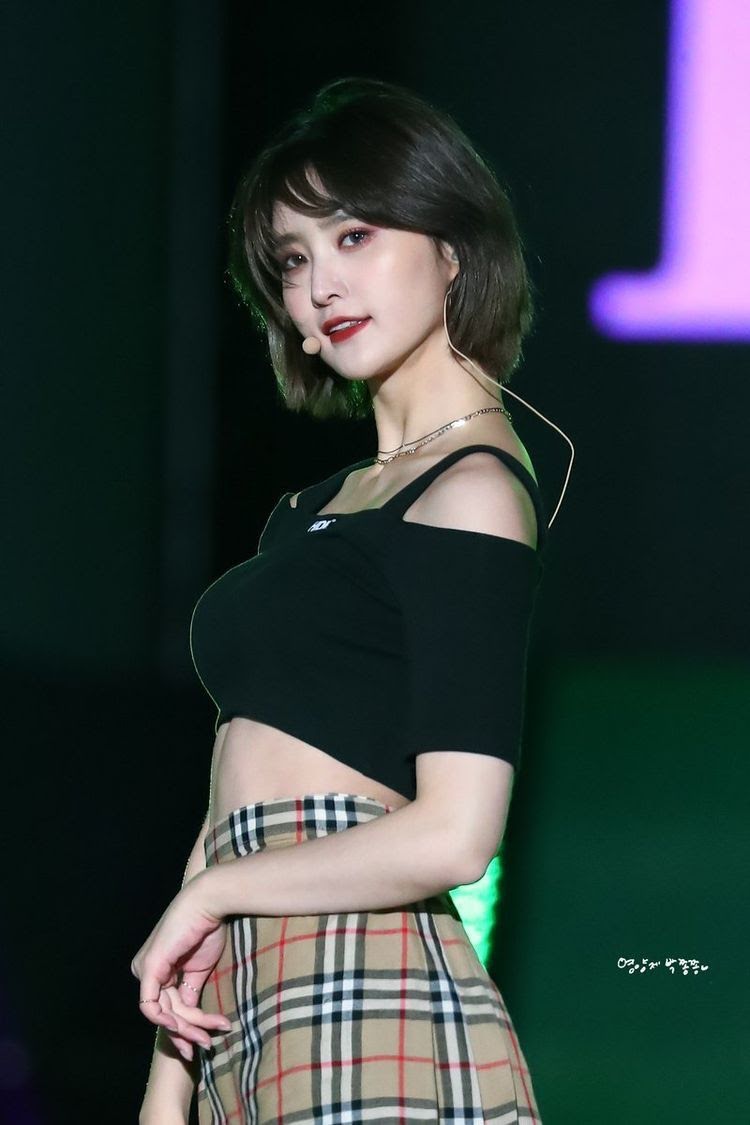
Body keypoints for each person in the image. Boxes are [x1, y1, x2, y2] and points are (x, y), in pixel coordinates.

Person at [132, 75, 573, 1125]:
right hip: (246, 999)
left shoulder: (471, 489)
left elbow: (457, 835)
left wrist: (216, 892)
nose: (321, 283)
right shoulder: (312, 508)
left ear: (451, 248)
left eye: (355, 235)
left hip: (364, 987)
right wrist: (168, 1081)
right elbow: (231, 801)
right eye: (293, 259)